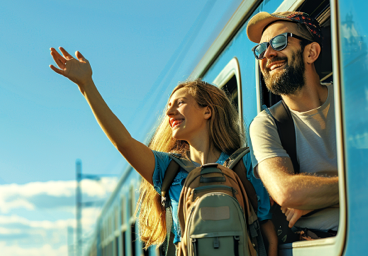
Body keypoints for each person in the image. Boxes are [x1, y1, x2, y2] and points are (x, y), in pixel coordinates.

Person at [49, 47, 277, 255]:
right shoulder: (168, 170)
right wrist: (86, 85)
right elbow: (124, 142)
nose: (170, 113)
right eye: (168, 106)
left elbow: (267, 229)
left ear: (207, 111)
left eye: (179, 103)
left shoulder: (244, 163)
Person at [246, 11, 339, 236]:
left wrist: (315, 196)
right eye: (260, 49)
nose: (267, 54)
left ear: (311, 52)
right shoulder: (266, 124)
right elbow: (286, 192)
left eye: (279, 42)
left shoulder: (354, 98)